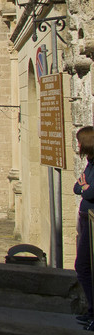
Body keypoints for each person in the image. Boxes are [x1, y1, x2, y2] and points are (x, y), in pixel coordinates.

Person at [74, 126, 94, 321]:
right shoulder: (90, 163)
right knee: (83, 266)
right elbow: (77, 187)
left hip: (91, 221)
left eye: (79, 141)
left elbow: (90, 192)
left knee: (83, 266)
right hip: (84, 218)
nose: (77, 145)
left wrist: (86, 187)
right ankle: (91, 313)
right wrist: (84, 187)